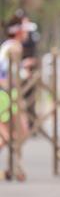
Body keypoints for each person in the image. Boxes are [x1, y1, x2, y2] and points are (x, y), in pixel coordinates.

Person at [0, 15, 29, 156]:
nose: (27, 33)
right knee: (19, 131)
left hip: (6, 92)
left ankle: (15, 164)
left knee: (8, 133)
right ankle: (15, 164)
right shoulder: (15, 47)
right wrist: (24, 73)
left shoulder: (7, 45)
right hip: (6, 93)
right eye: (25, 29)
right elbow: (10, 73)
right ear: (19, 31)